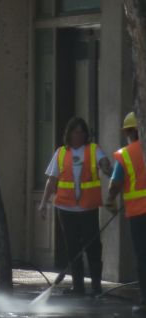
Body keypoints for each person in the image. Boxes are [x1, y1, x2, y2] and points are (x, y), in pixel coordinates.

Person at [38, 116, 112, 296]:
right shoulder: (61, 153)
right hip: (66, 209)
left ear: (85, 134)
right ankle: (78, 286)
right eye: (75, 132)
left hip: (88, 208)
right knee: (72, 248)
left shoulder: (93, 150)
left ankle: (96, 286)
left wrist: (108, 169)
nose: (78, 135)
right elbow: (52, 181)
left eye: (81, 132)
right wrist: (43, 203)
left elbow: (104, 164)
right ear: (69, 134)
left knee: (93, 247)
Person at [105, 112, 146, 313]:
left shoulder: (126, 154)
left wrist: (110, 201)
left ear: (130, 132)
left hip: (139, 214)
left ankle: (145, 300)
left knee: (143, 257)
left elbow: (115, 184)